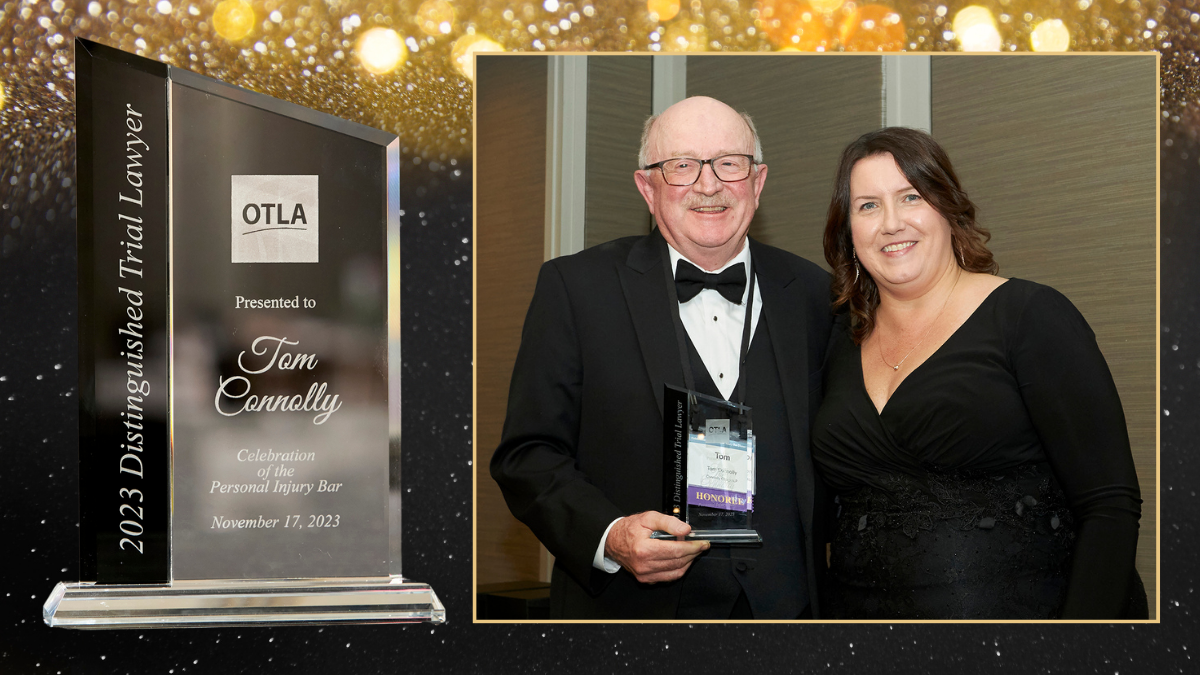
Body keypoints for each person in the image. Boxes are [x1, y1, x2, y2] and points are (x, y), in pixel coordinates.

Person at [490, 96, 834, 619]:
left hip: (789, 619)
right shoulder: (576, 288)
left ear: (758, 182)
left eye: (729, 163)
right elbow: (527, 456)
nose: (709, 183)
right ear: (647, 188)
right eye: (681, 165)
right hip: (630, 622)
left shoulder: (816, 294)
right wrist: (611, 536)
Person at [813, 126, 1146, 619]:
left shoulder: (1030, 315)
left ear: (947, 208)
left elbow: (1110, 507)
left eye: (910, 197)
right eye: (868, 206)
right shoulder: (837, 339)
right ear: (849, 233)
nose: (890, 223)